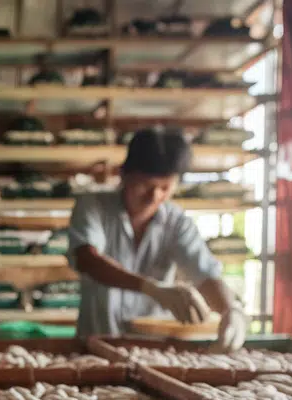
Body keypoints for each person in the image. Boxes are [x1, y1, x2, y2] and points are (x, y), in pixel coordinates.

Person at [67, 126, 248, 352]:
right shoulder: (93, 207)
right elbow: (87, 259)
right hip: (96, 346)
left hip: (154, 352)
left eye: (165, 187)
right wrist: (151, 288)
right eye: (146, 185)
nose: (155, 196)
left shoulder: (176, 222)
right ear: (124, 175)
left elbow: (204, 274)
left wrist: (231, 309)